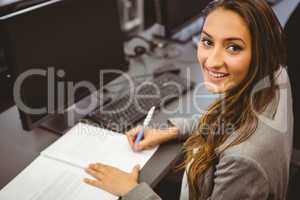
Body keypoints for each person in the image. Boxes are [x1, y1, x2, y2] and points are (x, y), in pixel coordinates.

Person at [83, 0, 294, 199]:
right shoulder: (273, 75)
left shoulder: (242, 160)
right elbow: (225, 120)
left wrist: (131, 191)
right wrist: (169, 131)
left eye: (233, 47)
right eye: (207, 41)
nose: (212, 61)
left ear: (261, 52)